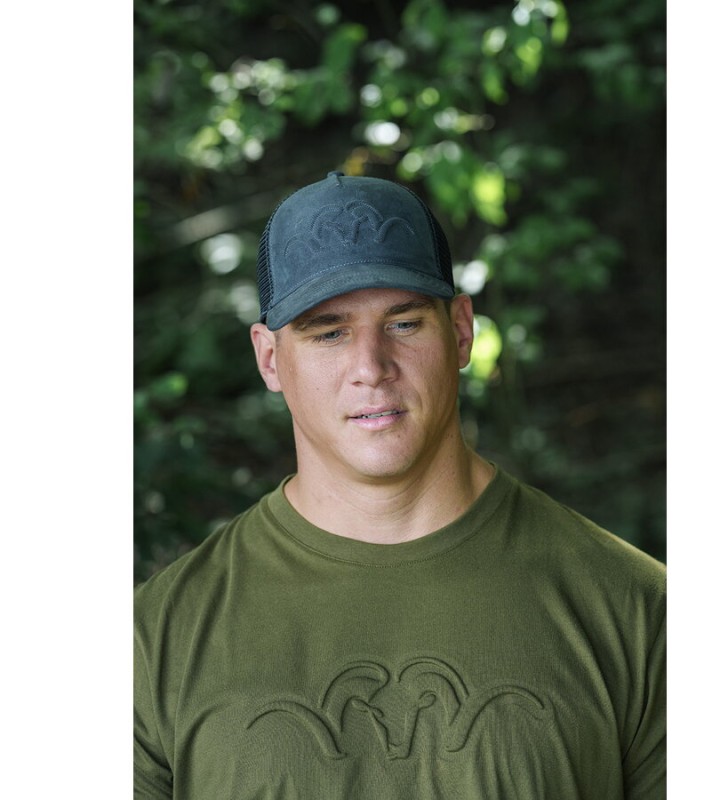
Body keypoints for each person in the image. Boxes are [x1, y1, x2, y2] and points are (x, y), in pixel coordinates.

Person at [134, 171, 666, 799]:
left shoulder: (638, 611)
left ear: (461, 331)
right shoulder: (155, 638)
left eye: (404, 323)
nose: (370, 368)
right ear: (270, 358)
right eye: (329, 332)